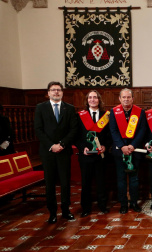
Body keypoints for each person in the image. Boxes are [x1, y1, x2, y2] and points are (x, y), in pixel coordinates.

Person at [34, 81, 78, 223]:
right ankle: (52, 213)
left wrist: (62, 144)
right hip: (48, 152)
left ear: (62, 92)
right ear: (48, 93)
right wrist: (51, 145)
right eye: (53, 90)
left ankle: (66, 210)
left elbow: (73, 130)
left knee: (65, 182)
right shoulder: (40, 108)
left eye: (58, 90)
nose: (56, 92)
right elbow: (38, 130)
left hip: (64, 151)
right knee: (50, 183)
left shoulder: (69, 108)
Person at [109, 88, 147, 214]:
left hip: (134, 150)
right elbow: (113, 131)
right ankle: (123, 204)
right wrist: (122, 146)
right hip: (119, 151)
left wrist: (133, 145)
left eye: (128, 97)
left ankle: (134, 203)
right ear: (120, 99)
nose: (126, 99)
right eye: (123, 97)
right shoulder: (114, 112)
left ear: (132, 99)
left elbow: (142, 130)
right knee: (121, 179)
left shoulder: (139, 112)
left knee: (134, 179)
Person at [75, 90, 111, 217]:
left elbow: (109, 135)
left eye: (95, 97)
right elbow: (76, 136)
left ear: (99, 100)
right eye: (90, 97)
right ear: (87, 100)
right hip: (86, 155)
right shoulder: (80, 115)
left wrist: (105, 146)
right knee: (86, 182)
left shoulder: (106, 116)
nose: (92, 100)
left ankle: (102, 205)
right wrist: (82, 147)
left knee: (102, 181)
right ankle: (86, 207)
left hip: (100, 155)